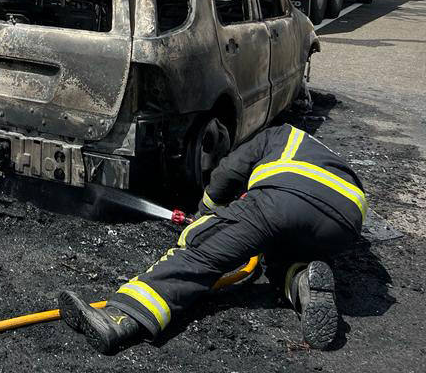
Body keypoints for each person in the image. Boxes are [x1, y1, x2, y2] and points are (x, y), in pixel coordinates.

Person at [59, 123, 365, 354]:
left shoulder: (279, 134)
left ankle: (120, 319)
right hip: (345, 223)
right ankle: (303, 283)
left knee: (200, 251)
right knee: (282, 256)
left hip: (282, 200)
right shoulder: (326, 155)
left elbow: (229, 172)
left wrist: (208, 212)